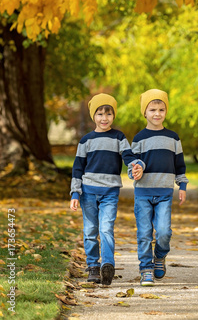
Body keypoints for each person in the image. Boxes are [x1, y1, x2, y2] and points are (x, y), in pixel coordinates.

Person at [70, 93, 144, 285]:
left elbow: (128, 156)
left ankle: (107, 264)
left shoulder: (119, 137)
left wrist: (136, 164)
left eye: (108, 114)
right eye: (100, 114)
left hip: (110, 191)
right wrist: (75, 193)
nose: (104, 118)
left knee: (106, 228)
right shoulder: (86, 141)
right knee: (90, 231)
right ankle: (93, 265)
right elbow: (77, 168)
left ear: (114, 116)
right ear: (93, 115)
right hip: (88, 191)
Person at [129, 89, 188, 286]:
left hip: (164, 193)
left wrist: (182, 185)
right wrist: (135, 171)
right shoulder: (138, 138)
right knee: (144, 233)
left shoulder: (173, 138)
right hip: (143, 193)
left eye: (161, 109)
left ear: (166, 111)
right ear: (144, 112)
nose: (157, 113)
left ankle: (160, 256)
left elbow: (179, 164)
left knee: (164, 232)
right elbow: (132, 165)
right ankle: (146, 269)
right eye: (152, 109)